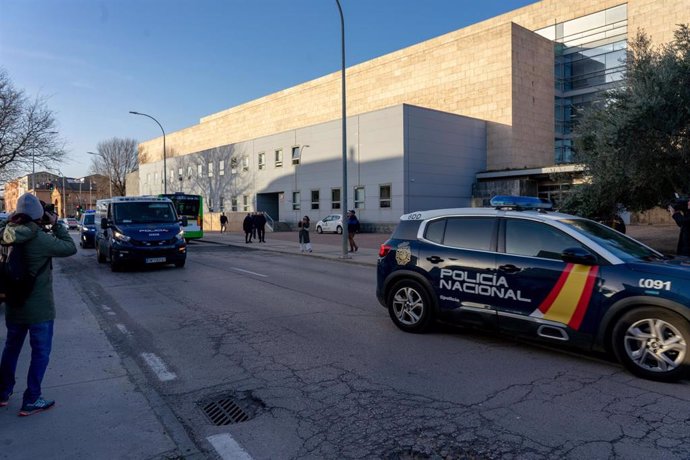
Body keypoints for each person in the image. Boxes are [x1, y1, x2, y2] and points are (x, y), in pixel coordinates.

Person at [0, 193, 77, 416]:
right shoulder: (40, 239)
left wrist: (12, 218)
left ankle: (3, 393)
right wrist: (56, 223)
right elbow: (69, 247)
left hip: (14, 304)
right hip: (39, 308)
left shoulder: (6, 235)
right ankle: (32, 399)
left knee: (11, 348)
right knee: (40, 353)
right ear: (38, 215)